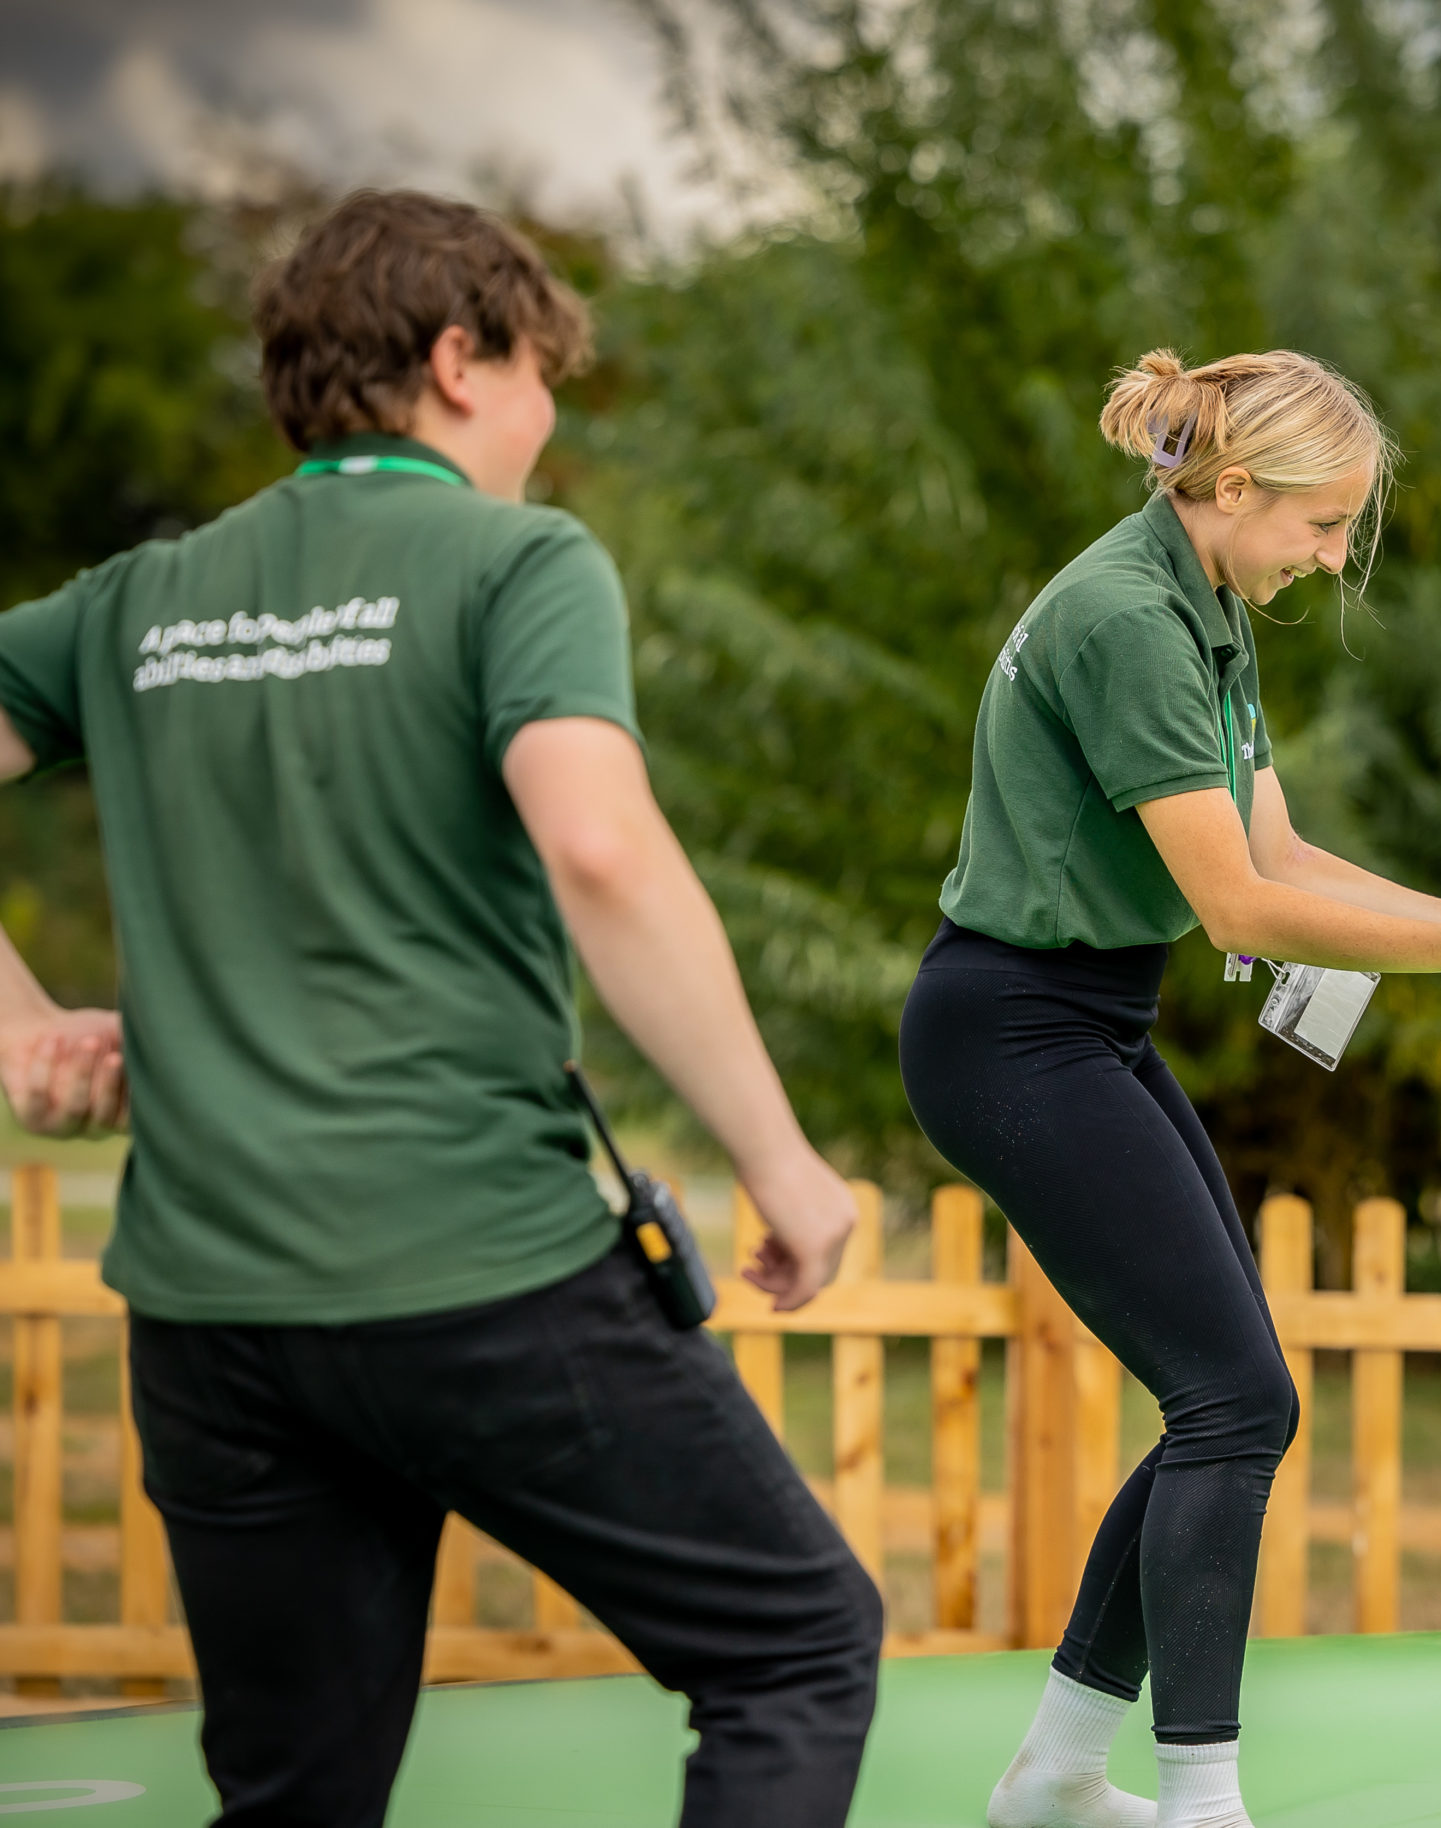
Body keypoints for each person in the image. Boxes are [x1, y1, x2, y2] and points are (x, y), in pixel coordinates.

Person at [0, 190, 882, 1827]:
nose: (548, 424)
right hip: (479, 1265)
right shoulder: (515, 560)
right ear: (463, 358)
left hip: (211, 1307)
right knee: (794, 1648)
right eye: (544, 376)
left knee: (297, 1787)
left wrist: (22, 1029)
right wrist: (785, 1161)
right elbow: (604, 851)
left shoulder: (137, 598)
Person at [900, 349, 1441, 1828]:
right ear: (1228, 489)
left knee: (1238, 1402)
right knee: (1231, 1400)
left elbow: (1284, 854)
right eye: (1321, 523)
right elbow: (1242, 911)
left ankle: (1053, 1779)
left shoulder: (1209, 598)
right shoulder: (1124, 617)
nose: (1333, 555)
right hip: (1010, 1032)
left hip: (1088, 1020)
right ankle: (1202, 1805)